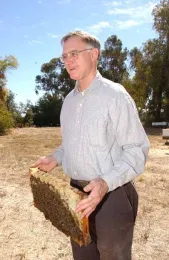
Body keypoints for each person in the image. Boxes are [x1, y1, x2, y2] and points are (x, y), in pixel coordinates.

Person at [33, 31, 150, 260]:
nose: (68, 61)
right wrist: (55, 158)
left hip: (112, 195)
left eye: (74, 53)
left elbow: (137, 149)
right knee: (82, 255)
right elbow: (70, 146)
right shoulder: (68, 101)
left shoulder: (115, 96)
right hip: (76, 194)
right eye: (64, 56)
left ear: (94, 54)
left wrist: (105, 183)